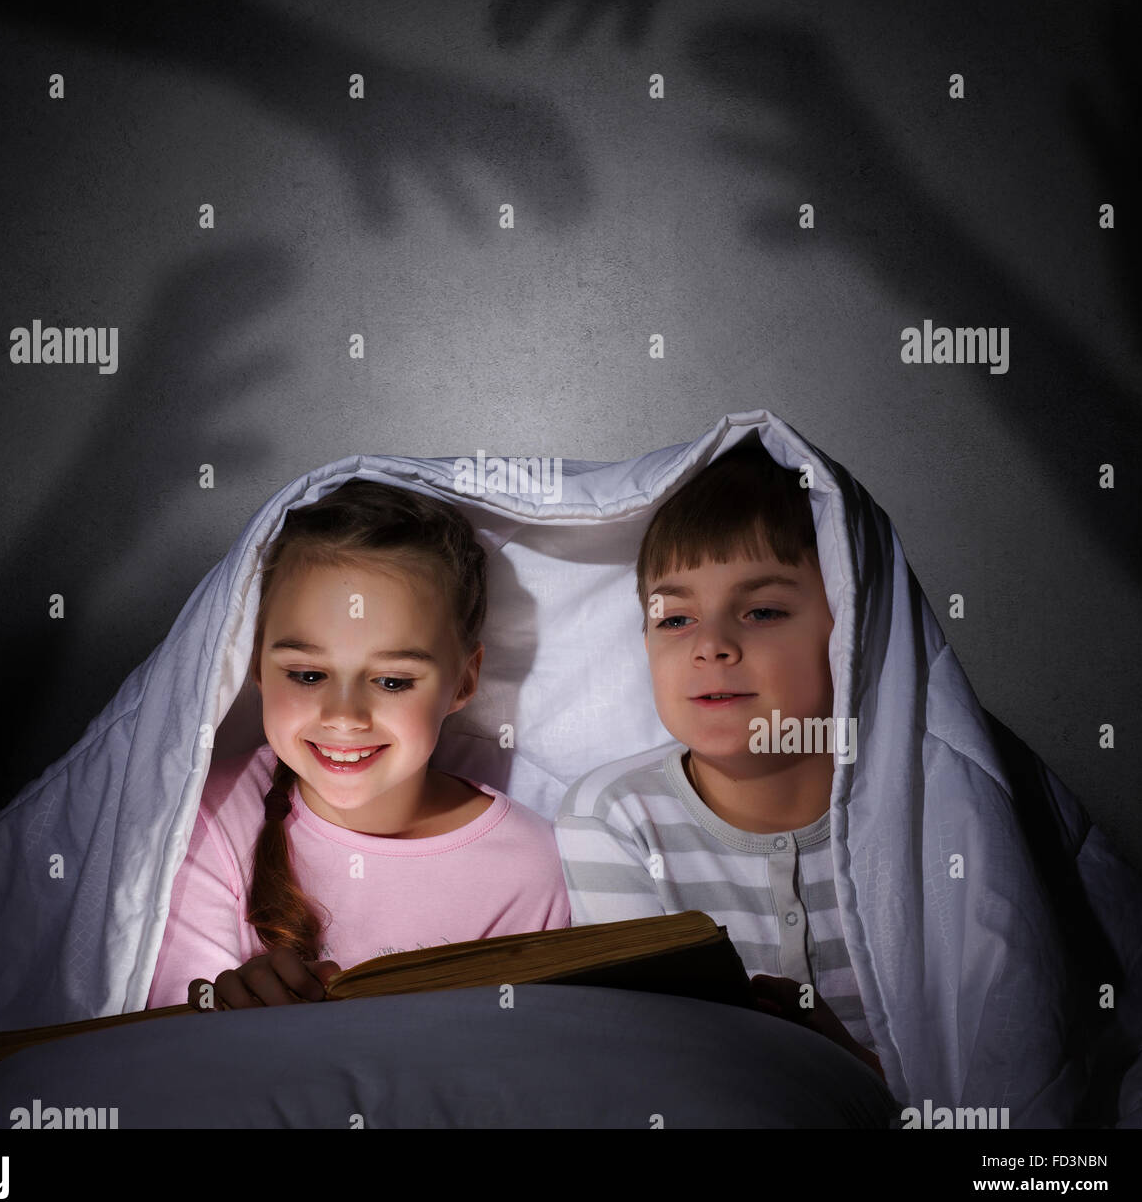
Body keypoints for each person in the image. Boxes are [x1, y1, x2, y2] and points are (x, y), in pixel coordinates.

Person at [146, 478, 570, 1012]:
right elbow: (169, 1046)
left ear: (463, 680)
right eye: (305, 674)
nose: (344, 716)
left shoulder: (530, 865)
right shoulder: (206, 818)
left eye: (393, 681)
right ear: (255, 665)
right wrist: (225, 1005)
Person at [553, 443, 893, 1085]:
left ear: (849, 626)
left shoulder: (927, 801)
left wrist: (863, 1075)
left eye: (762, 611)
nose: (711, 645)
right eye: (675, 618)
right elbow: (649, 1064)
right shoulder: (613, 816)